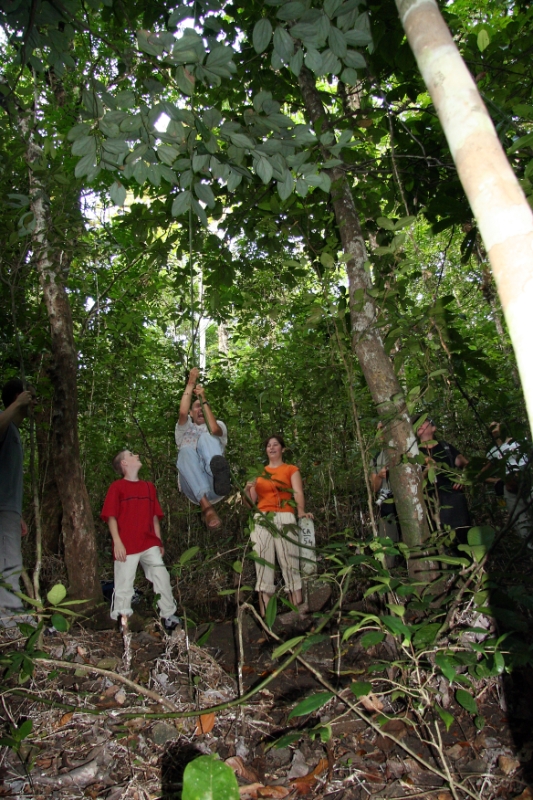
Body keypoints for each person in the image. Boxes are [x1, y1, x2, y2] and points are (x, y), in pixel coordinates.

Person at [101, 450, 180, 632]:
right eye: (130, 454)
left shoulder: (148, 487)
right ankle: (123, 618)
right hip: (126, 545)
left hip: (148, 543)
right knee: (124, 582)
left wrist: (158, 541)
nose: (136, 455)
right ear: (124, 464)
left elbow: (154, 517)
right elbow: (111, 517)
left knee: (161, 575)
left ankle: (168, 615)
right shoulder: (117, 487)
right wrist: (117, 542)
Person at [245, 435, 313, 618]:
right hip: (261, 519)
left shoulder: (291, 469)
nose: (271, 447)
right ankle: (268, 623)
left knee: (290, 565)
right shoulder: (258, 473)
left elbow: (298, 492)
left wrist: (300, 512)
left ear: (282, 449)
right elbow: (250, 503)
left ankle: (298, 616)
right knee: (263, 569)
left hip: (284, 517)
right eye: (268, 445)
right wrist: (247, 489)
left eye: (275, 444)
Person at [175, 367, 231, 530]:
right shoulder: (184, 431)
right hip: (194, 488)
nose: (200, 409)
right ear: (192, 413)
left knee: (207, 437)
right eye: (197, 407)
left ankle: (217, 473)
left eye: (203, 406)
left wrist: (203, 398)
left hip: (216, 484)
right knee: (185, 451)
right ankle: (206, 507)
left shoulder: (219, 425)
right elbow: (182, 412)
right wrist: (191, 382)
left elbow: (214, 430)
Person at [0, 378, 32, 628]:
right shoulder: (5, 424)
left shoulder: (14, 431)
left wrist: (17, 513)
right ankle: (12, 621)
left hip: (8, 509)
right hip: (2, 509)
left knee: (9, 560)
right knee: (9, 563)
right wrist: (16, 404)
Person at [416, 417, 471, 544]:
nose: (420, 425)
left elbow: (466, 465)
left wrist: (462, 476)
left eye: (423, 422)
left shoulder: (445, 447)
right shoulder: (414, 453)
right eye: (417, 423)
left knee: (461, 537)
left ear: (433, 428)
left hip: (453, 499)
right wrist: (427, 471)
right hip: (428, 501)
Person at [486, 421, 532, 545]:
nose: (494, 430)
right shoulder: (492, 452)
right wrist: (499, 480)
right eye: (491, 429)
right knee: (521, 523)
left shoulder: (518, 442)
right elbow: (483, 474)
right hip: (510, 487)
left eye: (495, 427)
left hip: (527, 479)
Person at [370, 422, 400, 546]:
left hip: (406, 501)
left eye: (383, 428)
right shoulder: (376, 457)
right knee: (388, 545)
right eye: (378, 430)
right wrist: (379, 476)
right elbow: (374, 488)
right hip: (386, 505)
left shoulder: (404, 449)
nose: (380, 432)